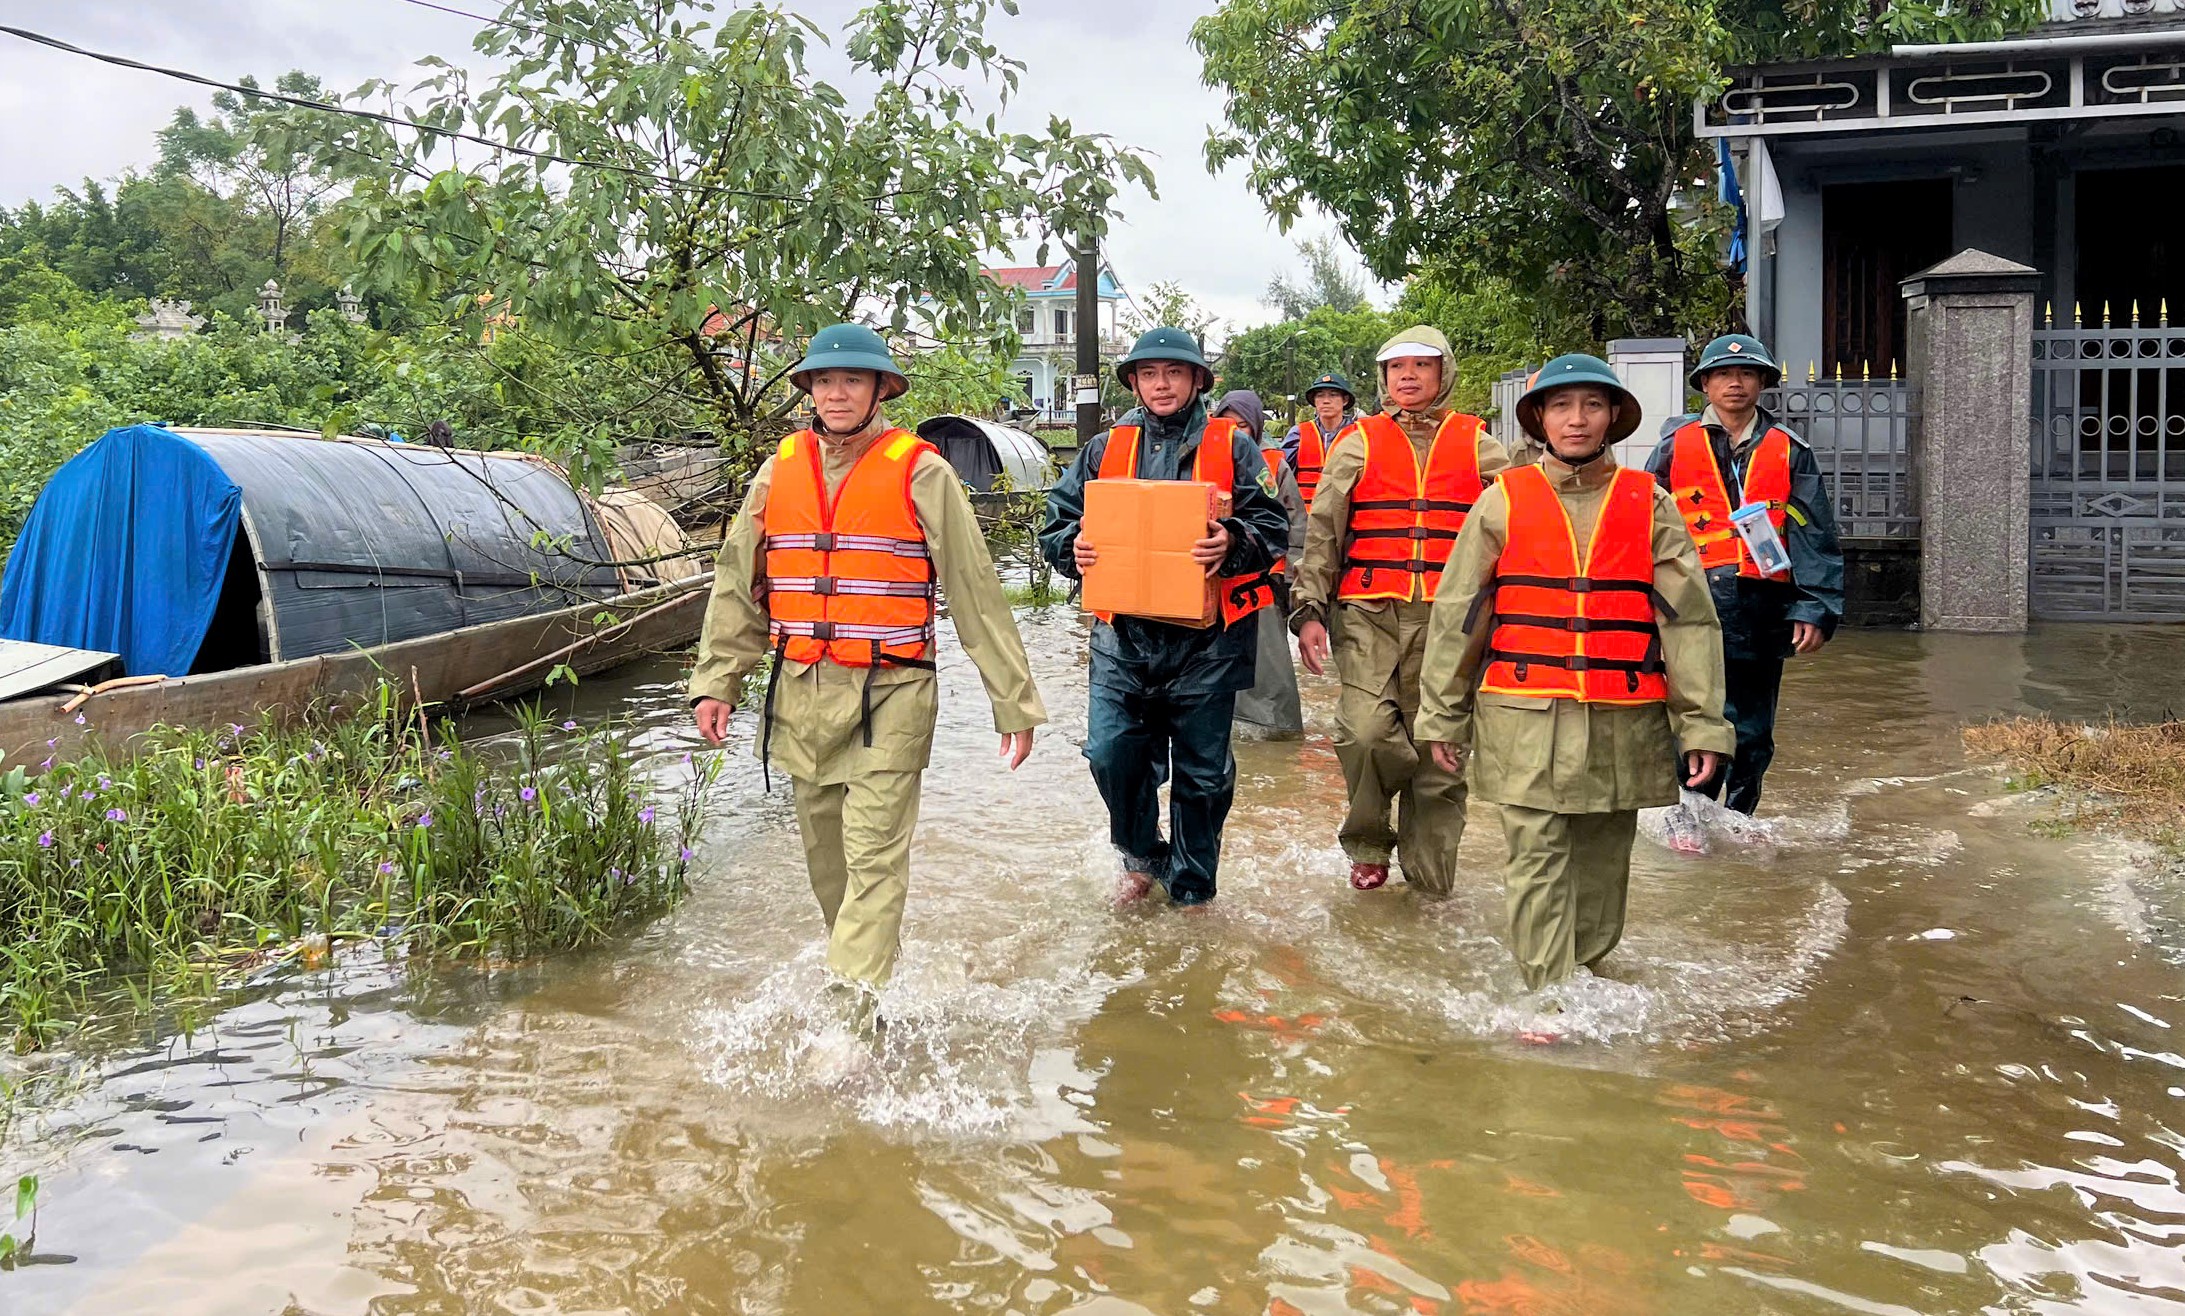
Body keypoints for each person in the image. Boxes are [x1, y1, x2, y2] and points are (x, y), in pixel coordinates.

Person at [688, 324, 1045, 1013]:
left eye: (852, 380)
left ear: (881, 387)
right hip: (802, 692)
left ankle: (847, 1024)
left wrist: (1013, 701)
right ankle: (871, 981)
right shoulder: (778, 468)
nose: (836, 393)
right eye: (823, 381)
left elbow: (973, 590)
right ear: (809, 391)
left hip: (893, 695)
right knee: (829, 866)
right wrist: (717, 681)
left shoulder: (922, 470)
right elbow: (739, 581)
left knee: (874, 857)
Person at [1415, 354, 1733, 989]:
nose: (1577, 419)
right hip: (1522, 714)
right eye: (1560, 405)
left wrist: (1702, 724)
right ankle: (1547, 993)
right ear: (1539, 419)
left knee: (1603, 856)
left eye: (1592, 404)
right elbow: (1458, 617)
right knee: (1535, 852)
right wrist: (1441, 716)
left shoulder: (1652, 503)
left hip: (1623, 716)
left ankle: (1587, 973)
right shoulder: (1500, 503)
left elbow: (1690, 624)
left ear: (1614, 415)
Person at [1040, 329, 1291, 906]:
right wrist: (1070, 549)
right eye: (1148, 373)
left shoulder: (1235, 448)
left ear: (1197, 381)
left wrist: (1232, 541)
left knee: (1203, 779)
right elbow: (1056, 524)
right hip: (1122, 640)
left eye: (1174, 373)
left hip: (1209, 643)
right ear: (1133, 381)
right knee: (1110, 754)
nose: (1161, 384)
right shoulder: (1104, 449)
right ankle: (1142, 855)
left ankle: (1194, 890)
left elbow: (1273, 528)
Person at [1288, 326, 1509, 894]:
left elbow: (1519, 526)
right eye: (1395, 368)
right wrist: (1308, 609)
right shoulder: (1357, 442)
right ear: (1383, 379)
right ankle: (1367, 839)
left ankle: (1429, 874)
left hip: (1453, 620)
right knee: (1364, 733)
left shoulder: (1481, 444)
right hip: (1369, 613)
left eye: (1421, 366)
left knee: (1440, 748)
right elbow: (1323, 532)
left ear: (1444, 374)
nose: (1407, 377)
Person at [1644, 334, 1845, 815]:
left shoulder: (1790, 450)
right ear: (1706, 384)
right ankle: (1687, 818)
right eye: (1723, 375)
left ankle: (1738, 818)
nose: (1735, 383)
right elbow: (1642, 523)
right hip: (1690, 599)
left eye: (1747, 374)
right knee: (1694, 713)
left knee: (1753, 726)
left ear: (1761, 384)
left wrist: (1814, 606)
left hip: (1761, 603)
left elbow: (1814, 531)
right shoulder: (1675, 445)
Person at [1215, 388, 1306, 739]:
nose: (1236, 433)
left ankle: (1277, 733)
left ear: (1255, 427)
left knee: (1269, 666)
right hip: (1213, 581)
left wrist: (1290, 576)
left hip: (1263, 582)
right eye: (1227, 425)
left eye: (1243, 426)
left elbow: (1296, 525)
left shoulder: (1273, 464)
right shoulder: (1200, 459)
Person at [1281, 371, 1358, 508]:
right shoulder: (1298, 433)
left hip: (1346, 515)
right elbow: (1282, 477)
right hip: (1306, 517)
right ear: (1314, 401)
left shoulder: (1358, 434)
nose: (1326, 401)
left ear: (1345, 400)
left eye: (1333, 395)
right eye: (1320, 395)